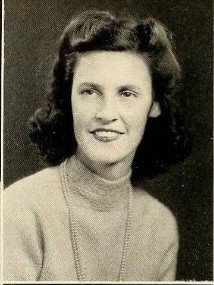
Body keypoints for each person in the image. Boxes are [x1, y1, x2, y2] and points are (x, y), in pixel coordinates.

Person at [4, 10, 191, 281]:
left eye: (126, 93)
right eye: (90, 91)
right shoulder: (19, 209)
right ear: (68, 98)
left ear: (154, 104)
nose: (106, 113)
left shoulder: (159, 227)